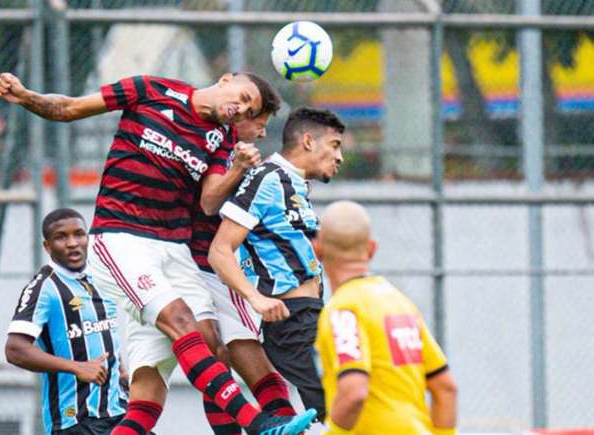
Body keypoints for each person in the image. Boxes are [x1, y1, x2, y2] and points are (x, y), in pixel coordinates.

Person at [0, 72, 317, 435]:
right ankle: (261, 425)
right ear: (225, 80)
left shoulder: (222, 138)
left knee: (198, 352)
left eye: (249, 110)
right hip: (121, 237)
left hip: (174, 250)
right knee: (182, 322)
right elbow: (70, 108)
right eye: (243, 98)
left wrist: (239, 167)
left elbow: (209, 201)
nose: (241, 109)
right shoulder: (151, 90)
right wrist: (26, 96)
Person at [124, 113, 297, 435]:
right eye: (259, 121)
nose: (262, 133)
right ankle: (266, 426)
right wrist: (238, 169)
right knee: (226, 356)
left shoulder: (223, 153)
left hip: (161, 267)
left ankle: (278, 425)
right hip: (191, 267)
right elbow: (208, 203)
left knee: (152, 400)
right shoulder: (214, 151)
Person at [209, 107, 346, 421]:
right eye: (335, 145)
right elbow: (220, 251)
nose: (339, 157)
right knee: (343, 407)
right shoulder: (267, 178)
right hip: (292, 321)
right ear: (309, 141)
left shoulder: (296, 184)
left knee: (340, 406)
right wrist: (256, 298)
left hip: (312, 316)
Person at [313, 200, 458, 434]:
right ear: (371, 249)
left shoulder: (343, 310)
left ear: (317, 250)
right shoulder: (401, 304)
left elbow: (354, 391)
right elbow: (445, 387)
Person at [5, 208, 127, 434]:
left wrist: (121, 369)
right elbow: (14, 349)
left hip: (118, 410)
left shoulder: (102, 277)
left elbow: (101, 331)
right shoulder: (43, 288)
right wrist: (76, 367)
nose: (72, 243)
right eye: (62, 237)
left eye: (79, 234)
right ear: (47, 246)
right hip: (75, 420)